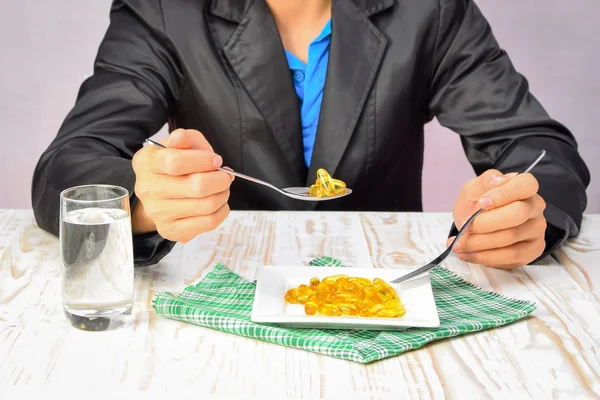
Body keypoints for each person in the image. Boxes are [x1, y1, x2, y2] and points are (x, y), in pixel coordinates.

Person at [32, 0, 590, 268]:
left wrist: (523, 208)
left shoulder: (431, 9)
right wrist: (142, 201)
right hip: (219, 300)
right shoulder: (163, 9)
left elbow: (539, 148)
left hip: (390, 295)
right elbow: (69, 163)